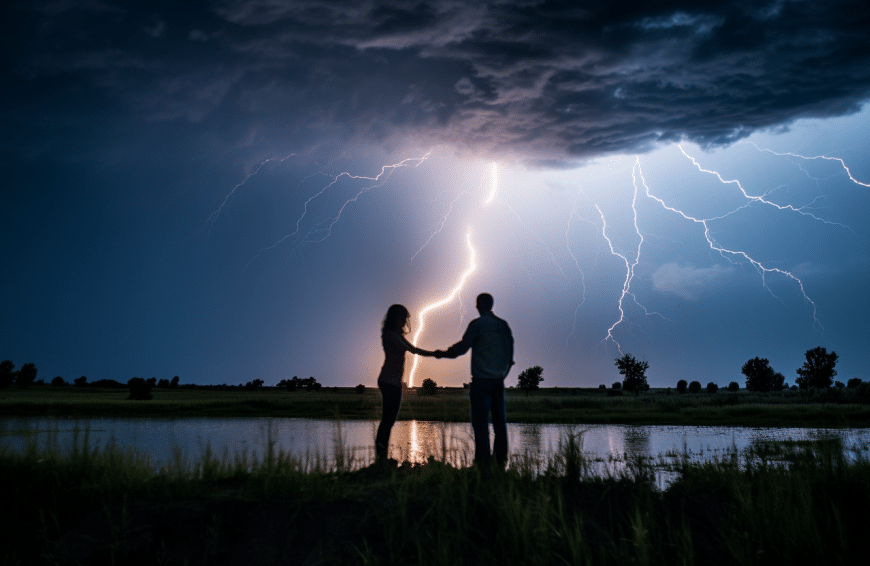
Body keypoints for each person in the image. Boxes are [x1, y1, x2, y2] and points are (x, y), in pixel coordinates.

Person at [436, 293, 514, 467]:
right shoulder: (503, 325)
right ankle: (500, 463)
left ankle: (482, 464)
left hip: (481, 381)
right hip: (498, 380)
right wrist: (502, 373)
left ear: (479, 305)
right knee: (500, 423)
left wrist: (443, 353)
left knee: (481, 424)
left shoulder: (477, 324)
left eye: (477, 303)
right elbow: (510, 354)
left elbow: (462, 348)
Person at [376, 304, 438, 463]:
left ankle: (381, 458)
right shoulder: (390, 335)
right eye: (402, 318)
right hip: (389, 381)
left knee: (388, 421)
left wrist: (434, 354)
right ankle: (380, 458)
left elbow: (413, 349)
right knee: (387, 421)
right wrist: (436, 354)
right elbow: (413, 350)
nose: (405, 321)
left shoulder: (395, 334)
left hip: (394, 382)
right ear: (396, 318)